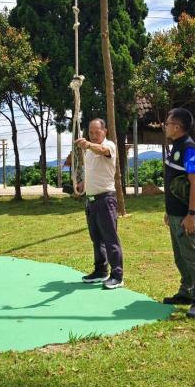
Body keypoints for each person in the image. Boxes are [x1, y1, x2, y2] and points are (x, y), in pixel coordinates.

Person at [161, 107, 195, 318]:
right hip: (174, 212)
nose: (165, 126)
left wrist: (191, 214)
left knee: (191, 256)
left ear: (177, 127)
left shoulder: (189, 149)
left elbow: (194, 182)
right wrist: (168, 211)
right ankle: (186, 292)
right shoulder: (176, 146)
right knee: (180, 256)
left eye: (168, 123)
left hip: (185, 214)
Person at [75, 118, 124, 289]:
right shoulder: (89, 152)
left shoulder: (109, 145)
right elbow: (92, 171)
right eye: (91, 132)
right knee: (96, 239)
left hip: (106, 199)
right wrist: (82, 184)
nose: (94, 135)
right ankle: (100, 271)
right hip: (91, 201)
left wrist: (88, 144)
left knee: (110, 238)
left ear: (105, 131)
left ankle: (117, 276)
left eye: (97, 132)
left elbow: (102, 150)